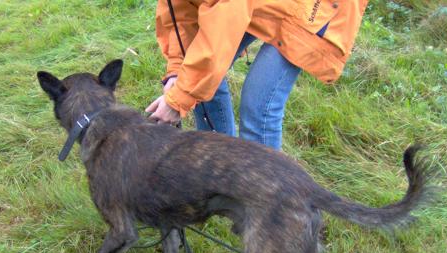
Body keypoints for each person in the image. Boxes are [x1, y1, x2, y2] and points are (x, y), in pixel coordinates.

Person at [146, 0, 368, 150]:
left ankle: (269, 208)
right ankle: (221, 169)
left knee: (258, 105)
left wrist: (179, 99)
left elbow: (226, 17)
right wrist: (177, 70)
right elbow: (179, 11)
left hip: (315, 8)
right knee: (199, 81)